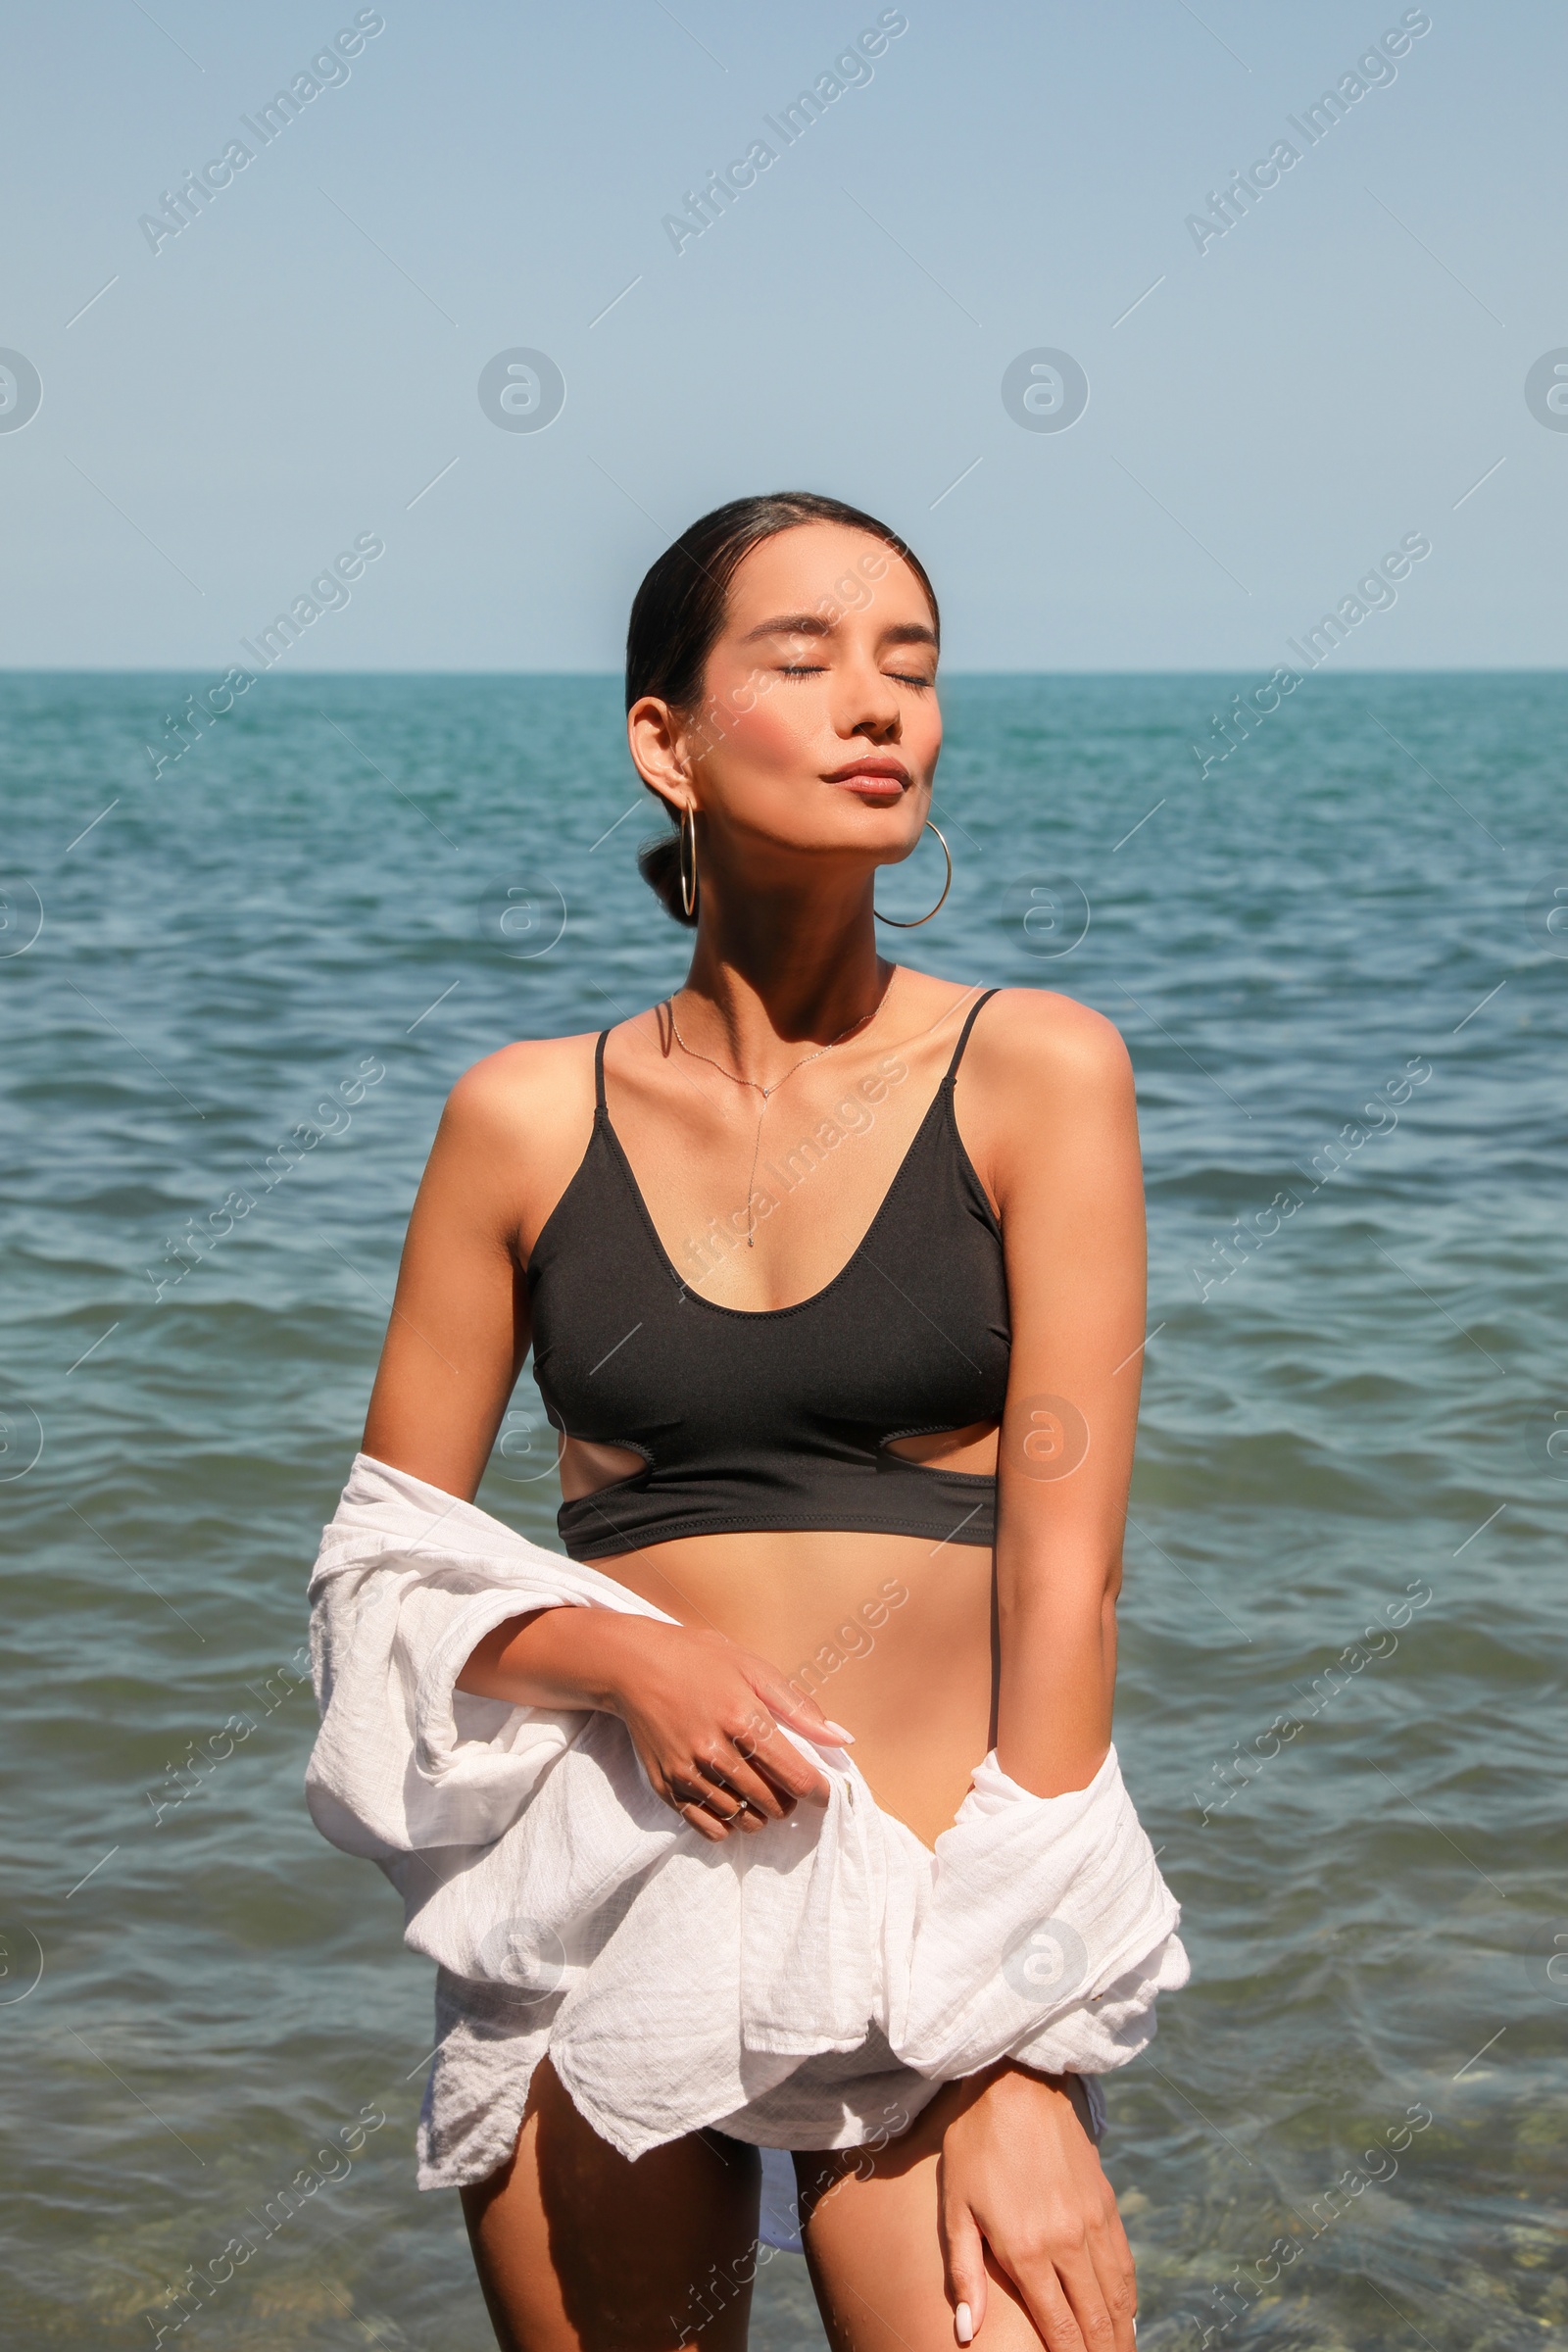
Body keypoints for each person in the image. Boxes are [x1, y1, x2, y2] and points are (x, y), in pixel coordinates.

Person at [347, 492, 1170, 2352]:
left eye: (914, 667)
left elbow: (1069, 1585)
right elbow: (377, 1573)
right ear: (668, 740)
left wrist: (1024, 2043)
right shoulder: (522, 1120)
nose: (881, 707)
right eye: (803, 661)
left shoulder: (1038, 1072)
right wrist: (632, 1672)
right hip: (600, 1917)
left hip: (927, 1935)